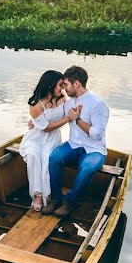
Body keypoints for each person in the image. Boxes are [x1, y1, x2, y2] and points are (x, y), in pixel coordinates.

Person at [41, 65, 109, 218]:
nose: (63, 88)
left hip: (94, 149)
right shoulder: (68, 102)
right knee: (54, 158)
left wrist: (77, 120)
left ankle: (70, 202)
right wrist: (35, 122)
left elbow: (97, 135)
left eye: (66, 85)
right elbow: (52, 116)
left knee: (87, 168)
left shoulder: (98, 104)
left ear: (76, 84)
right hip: (73, 145)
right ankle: (56, 199)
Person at [20, 70, 68, 210]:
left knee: (47, 158)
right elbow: (45, 127)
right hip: (35, 138)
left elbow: (72, 110)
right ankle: (38, 195)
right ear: (50, 86)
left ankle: (49, 195)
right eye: (60, 85)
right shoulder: (35, 104)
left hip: (53, 138)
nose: (63, 88)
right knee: (33, 156)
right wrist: (67, 119)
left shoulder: (62, 98)